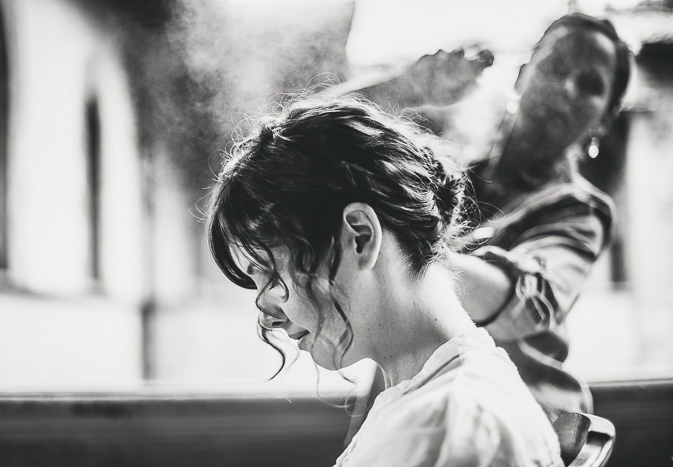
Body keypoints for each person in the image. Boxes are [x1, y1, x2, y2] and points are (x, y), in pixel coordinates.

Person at [206, 95, 564, 466]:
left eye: (270, 272)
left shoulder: (445, 428)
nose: (267, 316)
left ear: (360, 236)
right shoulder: (433, 401)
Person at [427, 13, 632, 420]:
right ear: (522, 75)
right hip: (412, 418)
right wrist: (404, 88)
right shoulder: (444, 180)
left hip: (520, 424)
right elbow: (316, 150)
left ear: (604, 119)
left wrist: (406, 260)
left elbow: (532, 302)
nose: (568, 89)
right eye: (556, 66)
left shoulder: (579, 212)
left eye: (590, 85)